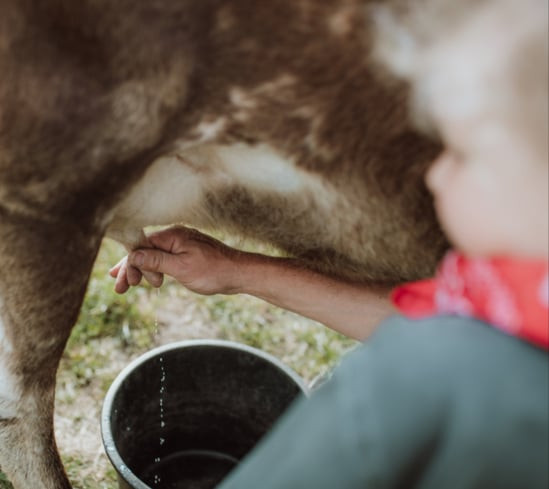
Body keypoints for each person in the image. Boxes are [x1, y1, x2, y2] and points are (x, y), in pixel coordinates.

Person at [109, 0, 549, 487]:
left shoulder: (426, 376)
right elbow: (428, 319)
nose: (437, 172)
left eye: (463, 154)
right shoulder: (501, 314)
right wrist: (234, 269)